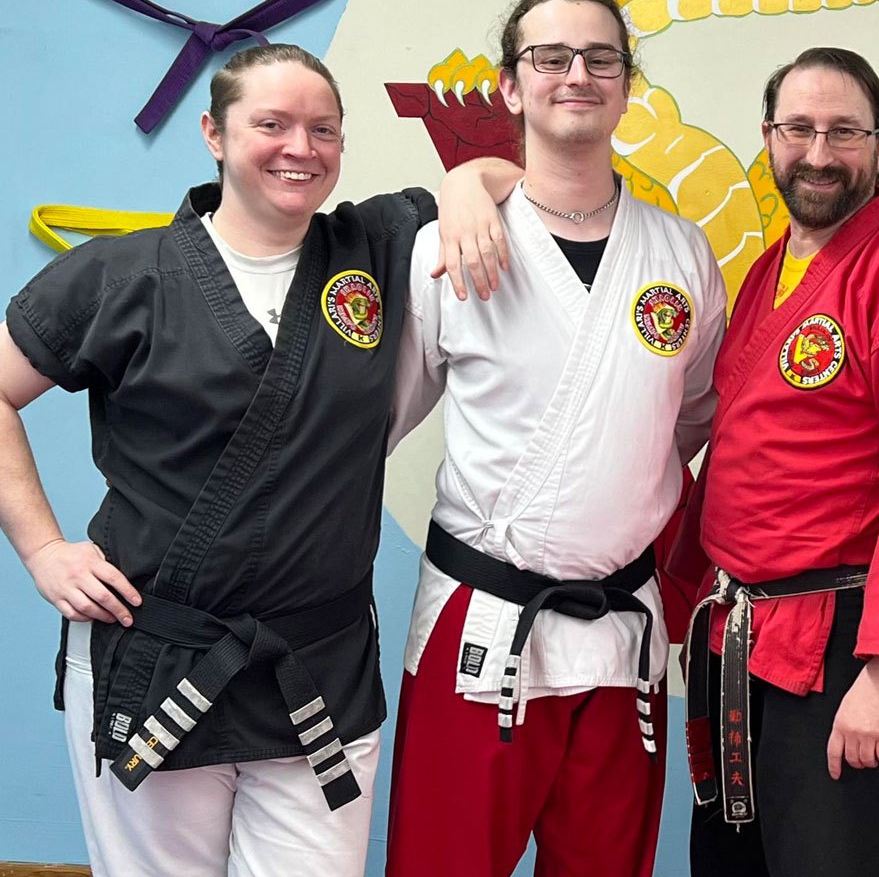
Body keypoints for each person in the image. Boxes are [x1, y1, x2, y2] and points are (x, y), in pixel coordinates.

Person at [0, 43, 507, 877]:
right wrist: (43, 549)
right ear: (214, 133)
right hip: (157, 650)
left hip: (318, 661)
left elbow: (510, 175)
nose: (300, 148)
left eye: (323, 129)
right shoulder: (123, 276)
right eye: (271, 124)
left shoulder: (374, 247)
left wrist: (462, 185)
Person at [381, 0, 726, 877]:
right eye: (550, 56)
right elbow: (372, 425)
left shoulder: (681, 252)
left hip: (622, 632)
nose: (577, 74)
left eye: (601, 58)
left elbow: (688, 418)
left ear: (627, 84)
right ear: (510, 84)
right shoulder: (450, 245)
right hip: (483, 621)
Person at [672, 47, 879, 877]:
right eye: (799, 129)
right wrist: (679, 591)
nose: (818, 152)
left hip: (839, 647)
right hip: (740, 635)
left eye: (844, 132)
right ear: (768, 137)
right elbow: (740, 449)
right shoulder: (771, 267)